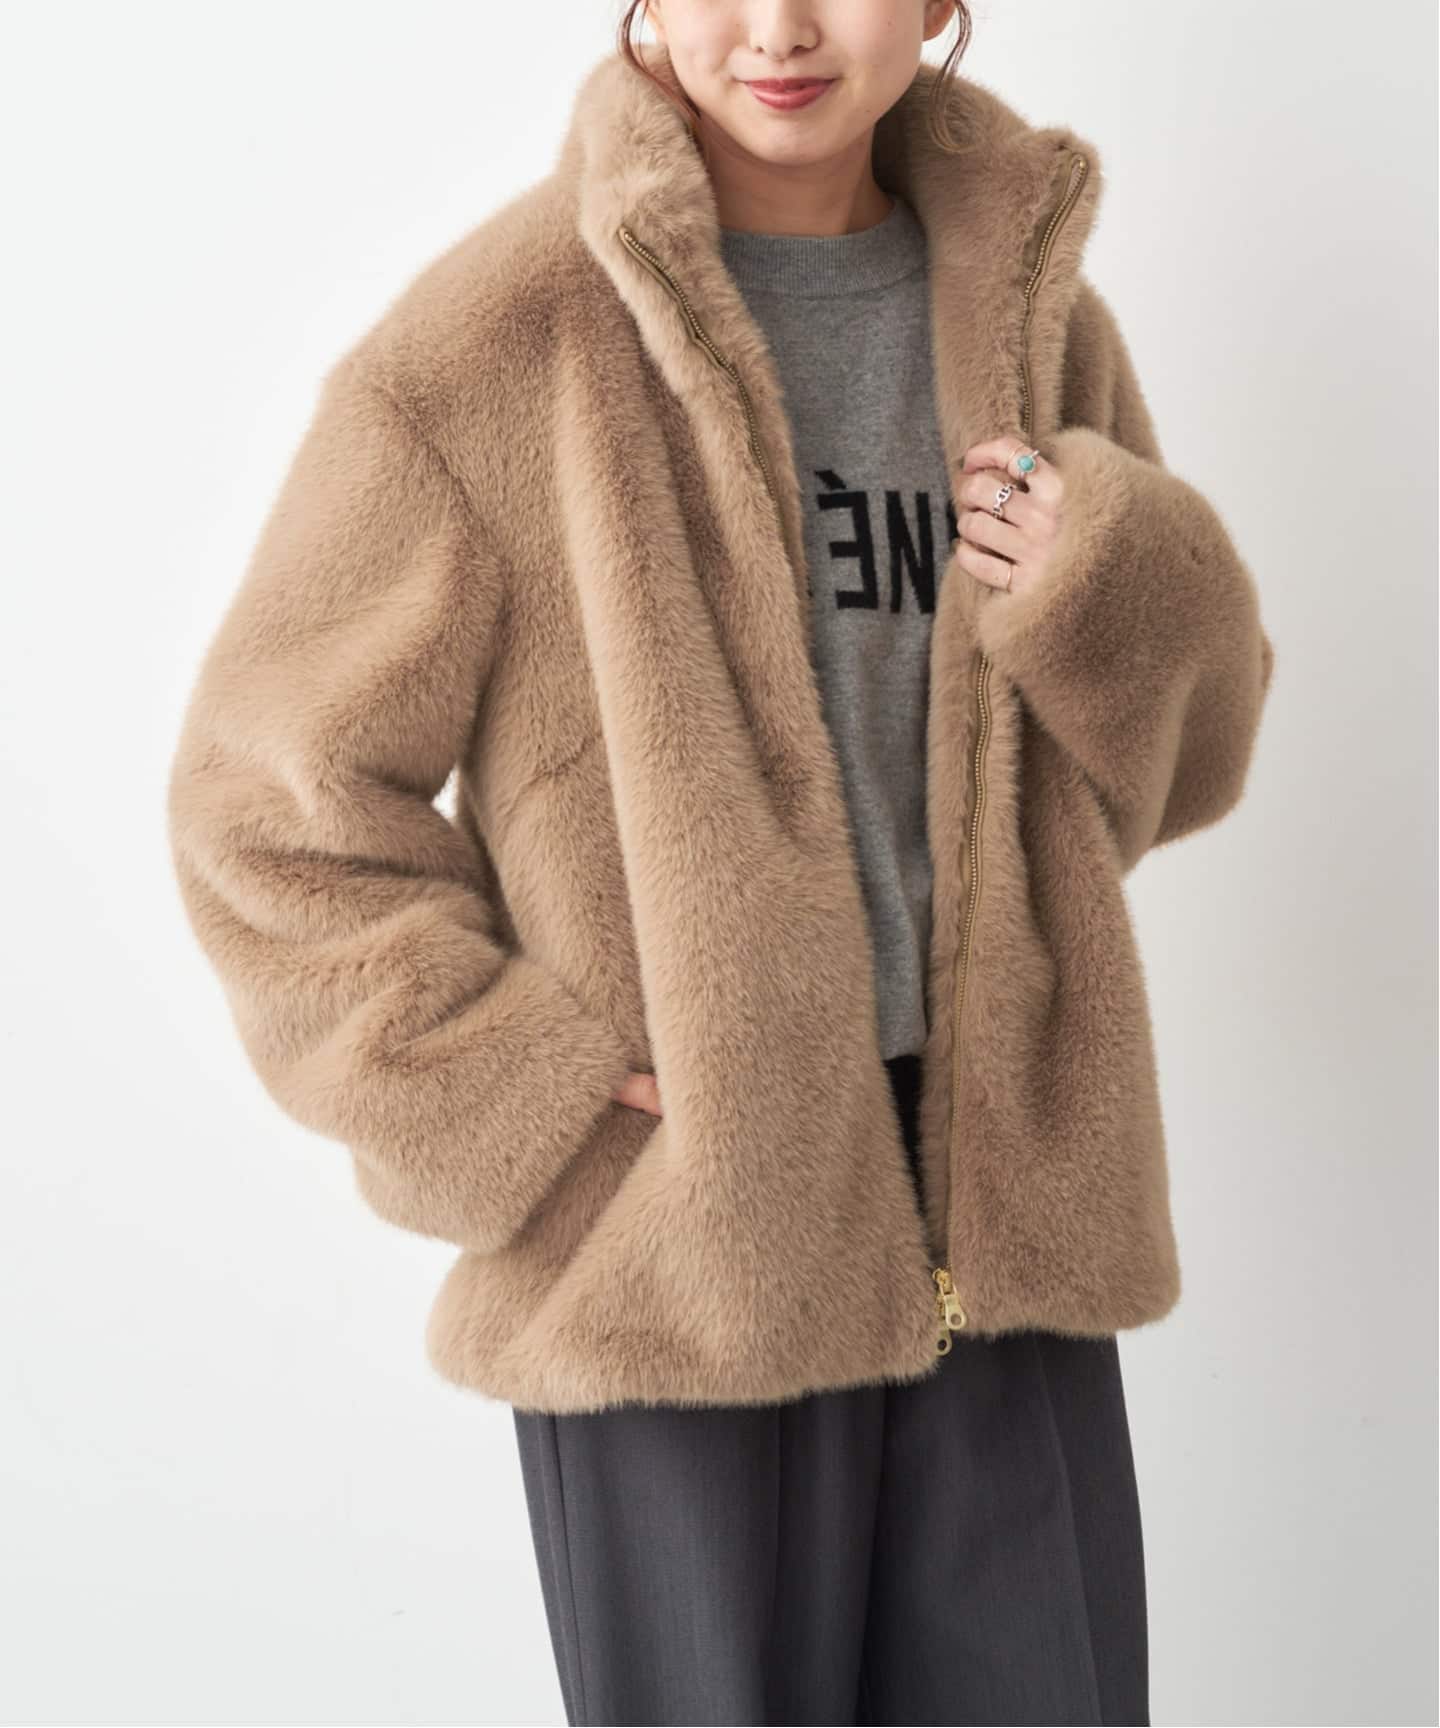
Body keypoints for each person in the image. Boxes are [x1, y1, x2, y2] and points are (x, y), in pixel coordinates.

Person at [166, 2, 1275, 1722]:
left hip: (1007, 1231)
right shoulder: (494, 347)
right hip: (678, 1260)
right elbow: (265, 810)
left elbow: (1178, 775)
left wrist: (1112, 578)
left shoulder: (1029, 320)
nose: (779, 27)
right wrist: (510, 1082)